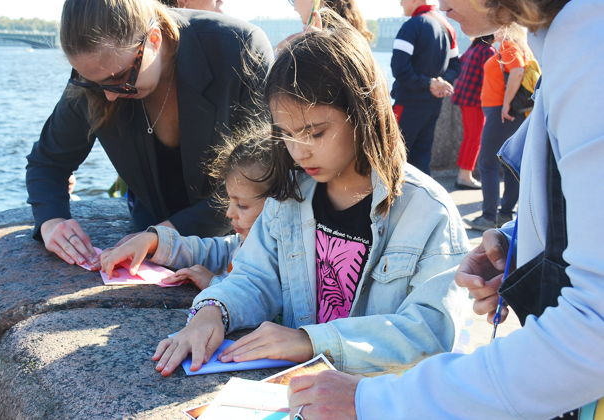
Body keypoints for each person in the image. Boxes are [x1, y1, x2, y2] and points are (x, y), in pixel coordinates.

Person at [287, 0, 604, 417]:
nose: (439, 4)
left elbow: (592, 333)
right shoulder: (576, 42)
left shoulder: (589, 51)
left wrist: (374, 401)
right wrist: (520, 243)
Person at [151, 12, 470, 378]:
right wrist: (211, 311)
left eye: (315, 133)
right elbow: (254, 276)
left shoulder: (429, 213)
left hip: (376, 396)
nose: (299, 151)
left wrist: (310, 340)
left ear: (363, 113)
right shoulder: (289, 197)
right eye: (286, 133)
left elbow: (430, 331)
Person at [25, 0, 273, 269]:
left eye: (121, 78)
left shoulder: (239, 48)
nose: (109, 94)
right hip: (145, 239)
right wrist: (52, 222)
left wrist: (162, 236)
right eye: (94, 84)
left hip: (233, 246)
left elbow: (267, 173)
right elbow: (48, 162)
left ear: (154, 39)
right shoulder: (102, 75)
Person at [100, 123, 273, 290]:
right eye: (230, 202)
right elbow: (209, 251)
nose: (229, 213)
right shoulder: (244, 243)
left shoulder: (279, 260)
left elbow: (261, 299)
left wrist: (215, 283)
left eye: (242, 205)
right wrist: (154, 241)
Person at [465, 24, 531, 231]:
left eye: (497, 23)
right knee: (509, 165)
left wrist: (505, 104)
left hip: (501, 113)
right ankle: (504, 214)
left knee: (488, 163)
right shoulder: (518, 46)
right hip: (509, 114)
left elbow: (517, 70)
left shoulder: (508, 44)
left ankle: (489, 216)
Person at [390, 0, 461, 175]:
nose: (400, 4)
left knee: (394, 157)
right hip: (433, 104)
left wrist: (429, 83)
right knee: (422, 158)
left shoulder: (412, 25)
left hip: (408, 103)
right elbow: (456, 66)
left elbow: (399, 69)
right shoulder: (447, 26)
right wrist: (441, 83)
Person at [451, 35, 496, 190]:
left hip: (464, 98)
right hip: (476, 100)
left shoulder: (472, 49)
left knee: (469, 137)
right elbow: (491, 78)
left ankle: (463, 174)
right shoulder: (488, 51)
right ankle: (465, 176)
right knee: (475, 139)